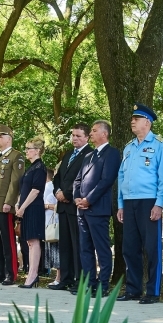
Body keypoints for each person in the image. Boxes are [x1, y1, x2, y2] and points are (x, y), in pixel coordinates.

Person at [116, 103, 163, 304]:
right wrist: (120, 204)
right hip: (129, 202)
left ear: (147, 122)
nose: (132, 121)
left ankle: (153, 292)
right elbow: (121, 176)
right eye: (132, 118)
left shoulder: (159, 144)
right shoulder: (128, 147)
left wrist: (159, 203)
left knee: (152, 248)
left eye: (136, 119)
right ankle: (133, 289)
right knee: (129, 248)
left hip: (149, 201)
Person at [73, 120, 120, 296]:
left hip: (97, 209)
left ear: (104, 134)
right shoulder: (88, 156)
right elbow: (78, 180)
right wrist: (77, 198)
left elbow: (106, 180)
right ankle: (89, 283)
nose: (90, 134)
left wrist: (88, 199)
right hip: (82, 210)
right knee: (85, 248)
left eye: (93, 131)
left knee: (102, 248)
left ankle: (103, 285)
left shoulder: (112, 153)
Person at [51, 123, 93, 290]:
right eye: (73, 135)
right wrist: (57, 191)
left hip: (75, 205)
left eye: (78, 136)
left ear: (87, 137)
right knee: (65, 245)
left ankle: (79, 279)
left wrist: (67, 194)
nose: (74, 138)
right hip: (62, 206)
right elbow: (57, 177)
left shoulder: (89, 154)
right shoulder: (68, 154)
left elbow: (83, 179)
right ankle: (65, 279)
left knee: (78, 244)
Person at [0, 125, 25, 285]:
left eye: (0, 136)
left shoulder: (17, 156)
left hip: (4, 205)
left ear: (9, 138)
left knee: (7, 240)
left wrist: (9, 202)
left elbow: (15, 182)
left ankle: (11, 273)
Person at [15, 137, 48, 288]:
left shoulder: (40, 167)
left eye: (29, 148)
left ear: (37, 150)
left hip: (34, 208)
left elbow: (35, 191)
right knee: (29, 241)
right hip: (27, 208)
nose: (26, 151)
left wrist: (22, 207)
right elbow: (24, 190)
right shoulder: (31, 167)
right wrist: (18, 204)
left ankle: (33, 274)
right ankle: (31, 273)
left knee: (34, 241)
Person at [44, 169, 62, 286]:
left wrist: (46, 205)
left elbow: (56, 204)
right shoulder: (50, 186)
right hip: (49, 222)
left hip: (55, 222)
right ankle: (57, 276)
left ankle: (59, 277)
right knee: (53, 250)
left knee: (57, 251)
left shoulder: (51, 186)